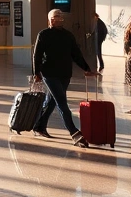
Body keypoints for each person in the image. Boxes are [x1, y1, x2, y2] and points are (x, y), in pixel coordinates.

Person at [31, 9, 98, 148]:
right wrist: (36, 73)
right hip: (49, 74)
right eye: (56, 17)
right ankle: (74, 133)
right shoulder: (43, 34)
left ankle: (39, 126)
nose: (59, 19)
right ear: (50, 19)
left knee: (52, 101)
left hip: (65, 74)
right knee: (62, 103)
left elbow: (76, 54)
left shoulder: (68, 35)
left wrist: (86, 69)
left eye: (60, 16)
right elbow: (37, 55)